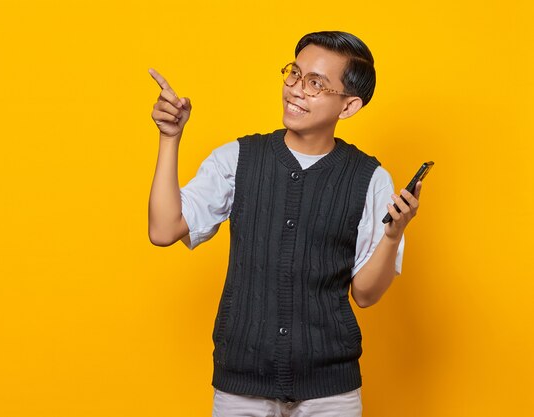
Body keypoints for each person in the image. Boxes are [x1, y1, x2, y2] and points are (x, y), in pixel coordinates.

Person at [148, 31, 423, 417]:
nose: (296, 89)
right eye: (294, 74)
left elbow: (365, 294)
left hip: (331, 392)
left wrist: (393, 233)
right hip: (241, 384)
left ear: (348, 106)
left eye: (316, 84)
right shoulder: (238, 159)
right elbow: (164, 229)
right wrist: (169, 138)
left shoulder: (370, 178)